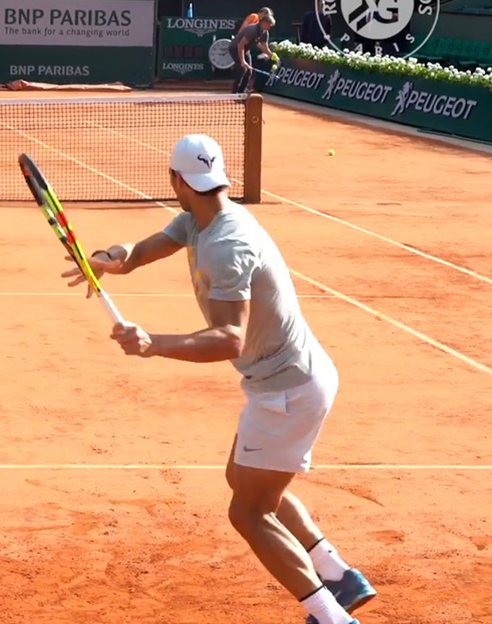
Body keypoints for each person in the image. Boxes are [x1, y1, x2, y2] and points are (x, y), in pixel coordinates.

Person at [63, 134, 378, 624]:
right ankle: (339, 576)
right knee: (244, 481)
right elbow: (146, 248)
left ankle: (331, 616)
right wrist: (109, 257)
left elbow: (229, 338)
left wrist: (153, 343)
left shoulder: (226, 245)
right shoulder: (201, 218)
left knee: (248, 513)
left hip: (286, 391)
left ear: (176, 181)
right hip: (290, 380)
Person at [231, 13, 275, 95]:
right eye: (269, 25)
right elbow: (241, 45)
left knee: (249, 71)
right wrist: (243, 61)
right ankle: (235, 93)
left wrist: (272, 56)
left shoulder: (265, 33)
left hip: (245, 49)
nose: (270, 27)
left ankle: (241, 93)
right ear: (263, 23)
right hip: (235, 48)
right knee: (242, 69)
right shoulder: (252, 30)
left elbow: (264, 47)